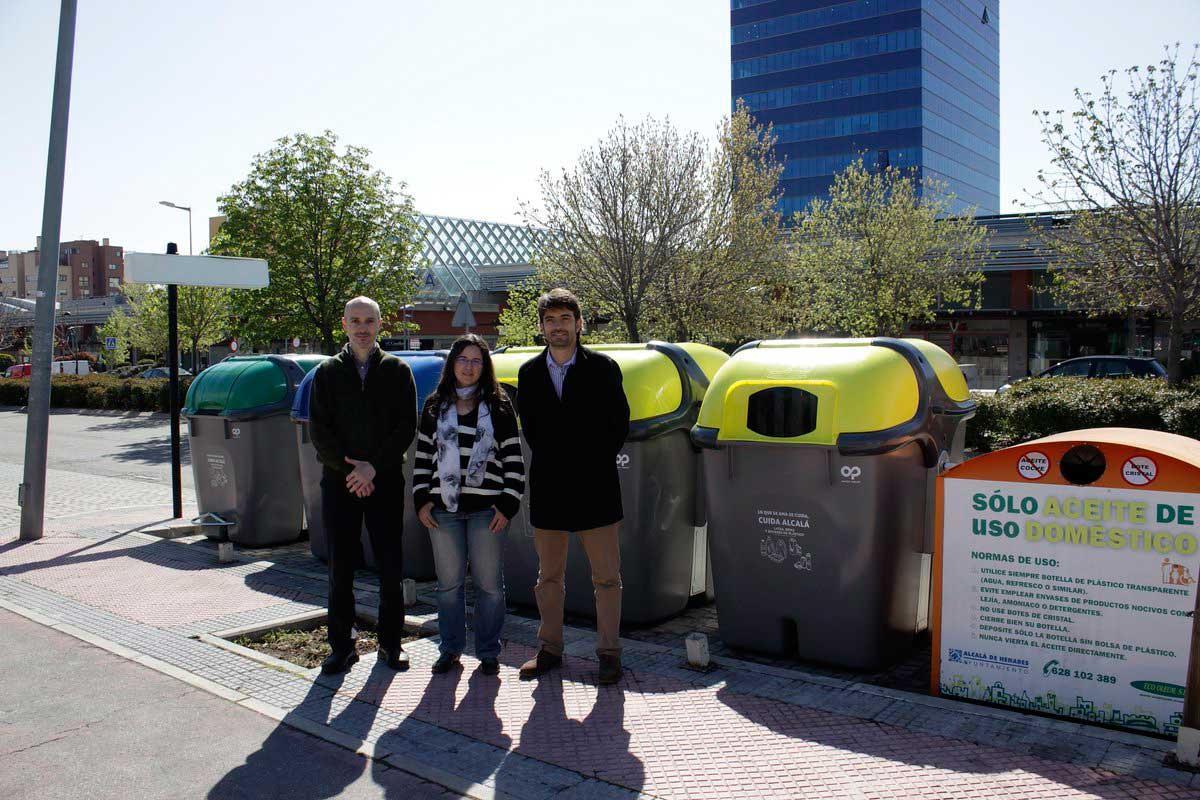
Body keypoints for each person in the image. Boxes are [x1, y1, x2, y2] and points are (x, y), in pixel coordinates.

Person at [516, 289, 630, 686]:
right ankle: (549, 649)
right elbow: (532, 430)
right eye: (550, 320)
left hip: (596, 487)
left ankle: (609, 653)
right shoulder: (529, 374)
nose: (558, 327)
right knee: (548, 577)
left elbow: (616, 427)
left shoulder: (603, 368)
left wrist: (582, 456)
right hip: (549, 488)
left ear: (579, 324)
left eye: (565, 318)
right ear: (541, 327)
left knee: (607, 578)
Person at [308, 296, 417, 675]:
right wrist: (352, 471)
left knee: (390, 565)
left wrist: (374, 468)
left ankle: (391, 644)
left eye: (369, 321)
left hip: (385, 481)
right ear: (344, 325)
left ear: (380, 325)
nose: (362, 328)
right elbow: (319, 432)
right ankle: (342, 646)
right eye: (355, 320)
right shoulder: (326, 373)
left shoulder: (398, 370)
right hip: (340, 484)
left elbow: (406, 427)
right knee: (341, 568)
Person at [412, 334, 524, 677]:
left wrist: (507, 504)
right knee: (448, 586)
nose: (469, 367)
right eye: (463, 359)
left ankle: (489, 651)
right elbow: (422, 457)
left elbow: (514, 460)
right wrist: (421, 500)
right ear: (452, 363)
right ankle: (450, 649)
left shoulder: (499, 406)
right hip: (443, 511)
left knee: (489, 585)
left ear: (484, 366)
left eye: (477, 361)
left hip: (487, 512)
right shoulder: (434, 405)